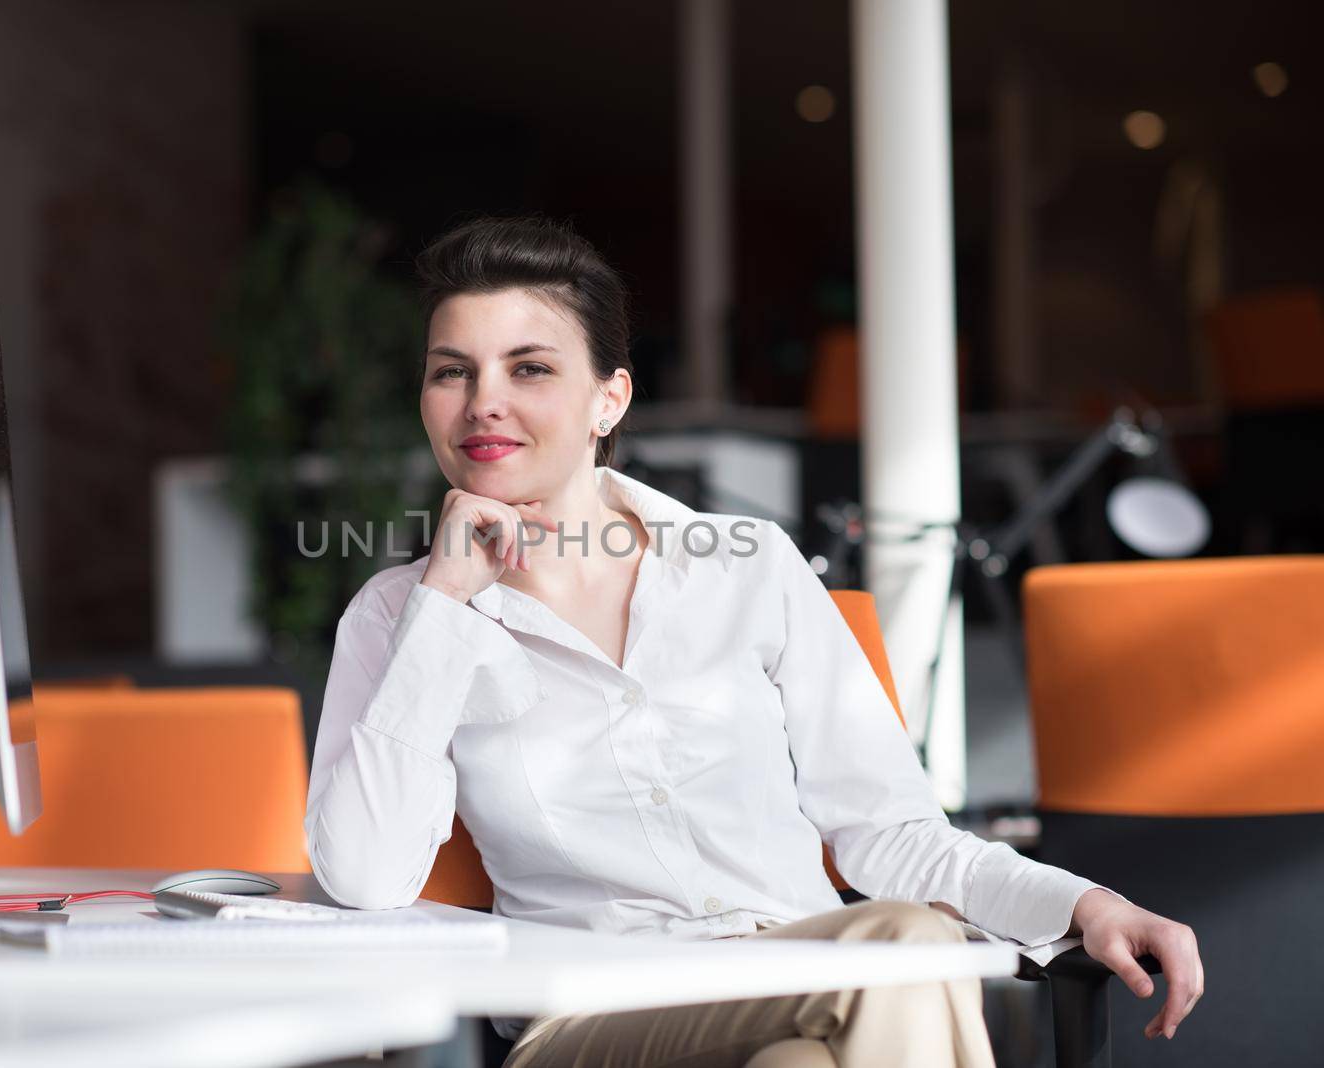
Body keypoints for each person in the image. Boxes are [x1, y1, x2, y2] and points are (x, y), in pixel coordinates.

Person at [303, 216, 1203, 1067]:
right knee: (905, 947)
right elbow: (364, 877)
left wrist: (1085, 904)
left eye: (529, 368)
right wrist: (449, 604)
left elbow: (890, 833)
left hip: (806, 980)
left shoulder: (746, 567)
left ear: (608, 399)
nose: (482, 403)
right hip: (595, 1022)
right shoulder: (398, 616)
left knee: (809, 1057)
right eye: (450, 371)